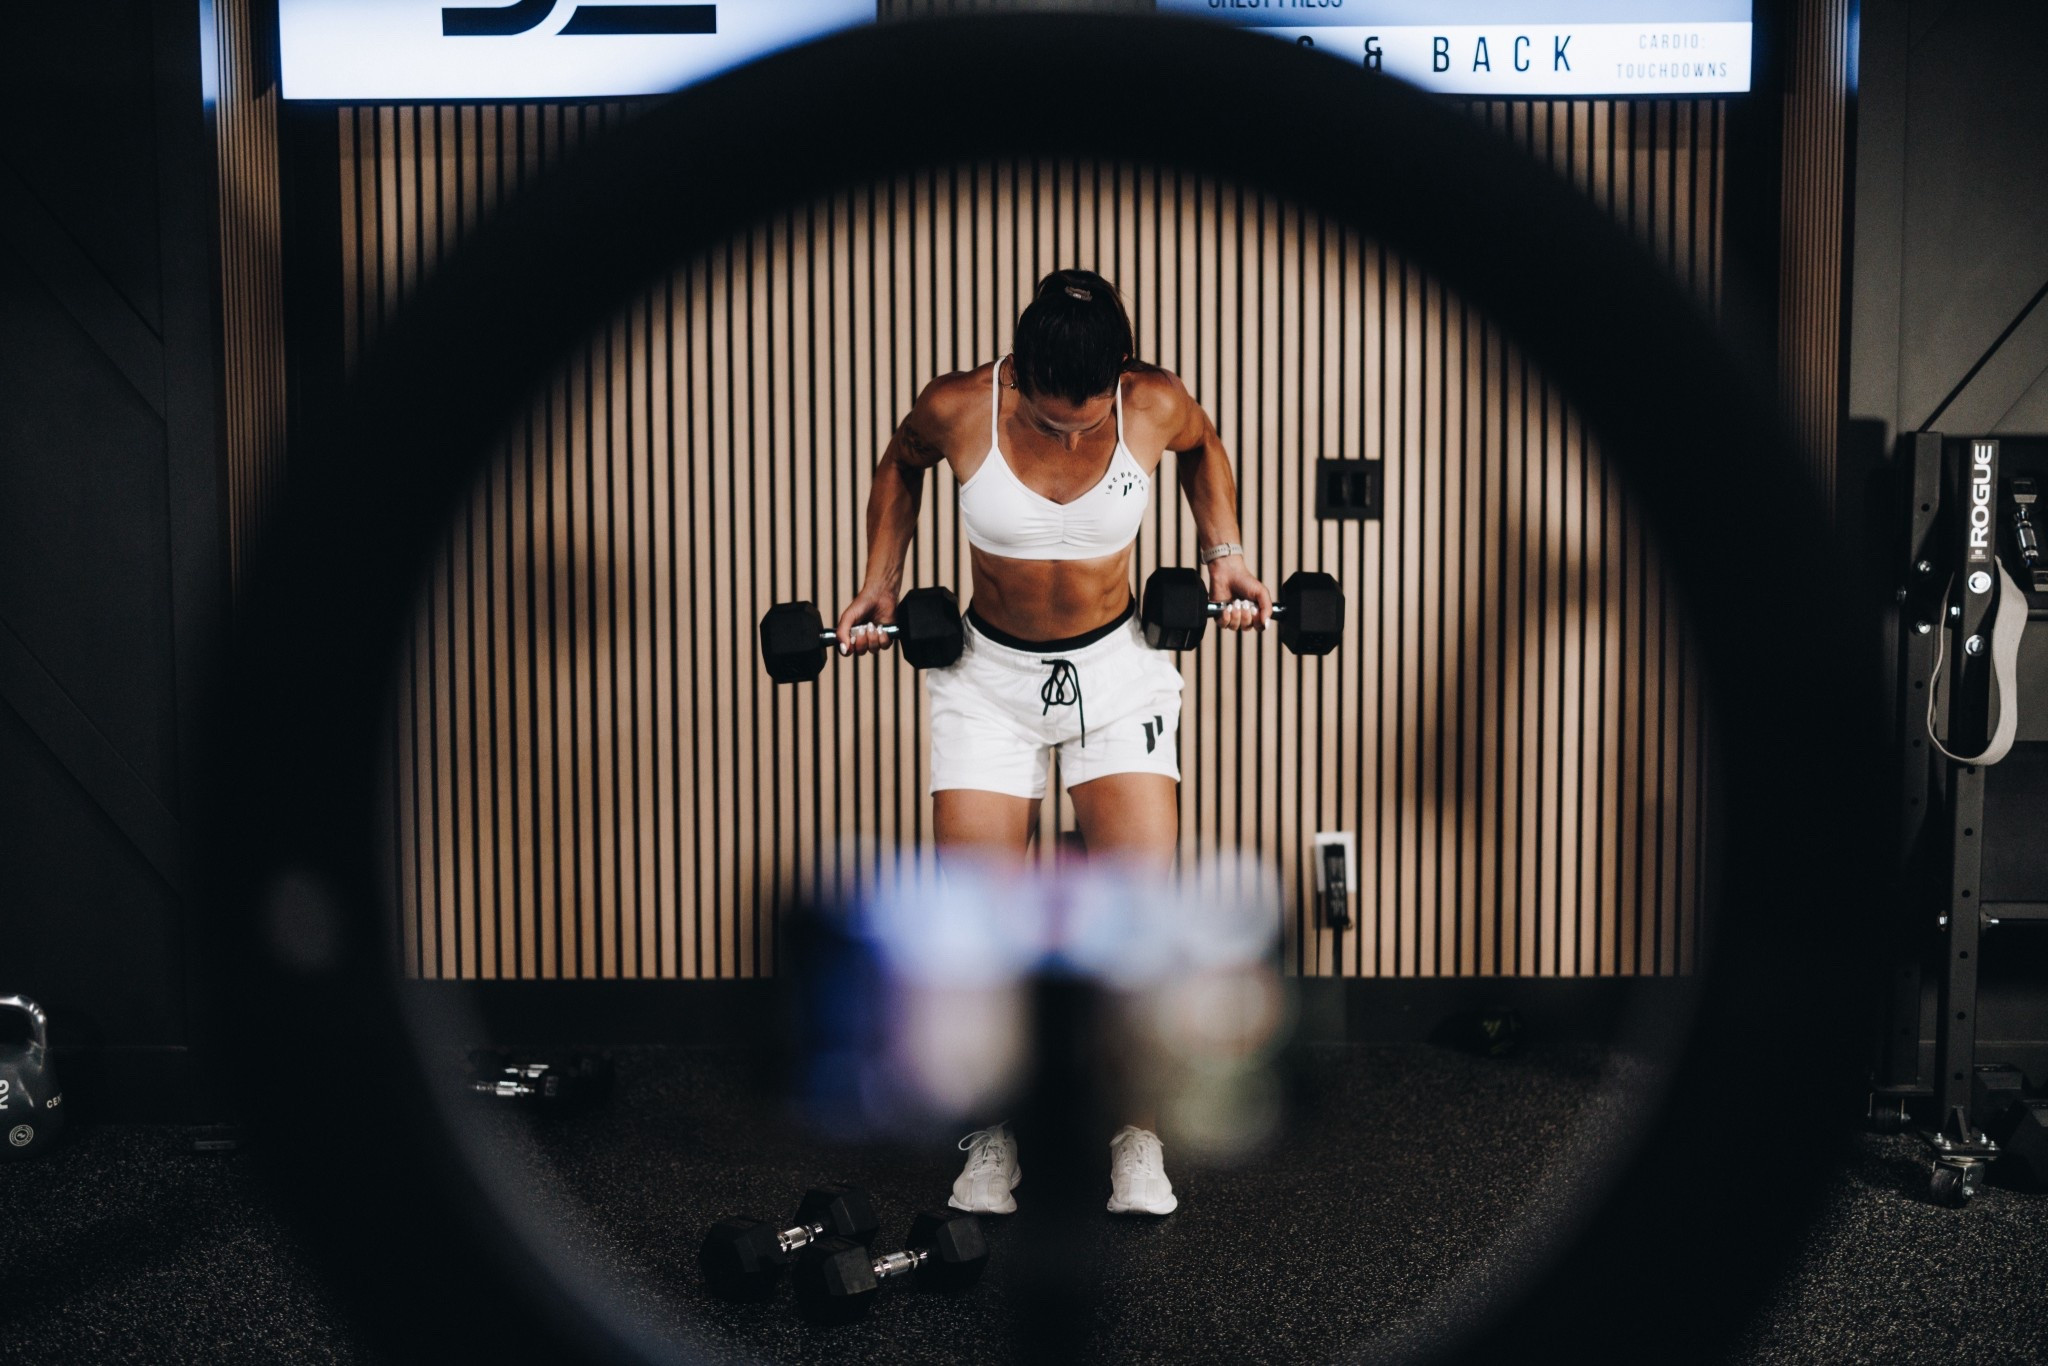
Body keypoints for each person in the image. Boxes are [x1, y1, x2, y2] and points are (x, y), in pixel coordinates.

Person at [835, 268, 1271, 1217]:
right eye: (1047, 419)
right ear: (1020, 371)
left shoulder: (1154, 402)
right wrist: (880, 579)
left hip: (1119, 678)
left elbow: (1203, 448)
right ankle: (992, 1135)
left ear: (1118, 375)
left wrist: (1225, 554)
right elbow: (899, 463)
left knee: (1135, 925)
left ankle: (1137, 1134)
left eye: (1086, 421)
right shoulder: (958, 407)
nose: (1070, 437)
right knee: (978, 933)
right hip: (987, 683)